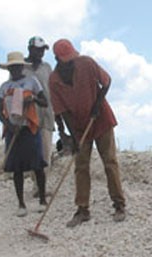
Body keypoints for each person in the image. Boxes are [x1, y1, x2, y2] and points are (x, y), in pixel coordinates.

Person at [49, 39, 126, 228]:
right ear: (57, 59)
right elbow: (62, 111)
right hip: (79, 126)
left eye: (71, 59)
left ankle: (119, 204)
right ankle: (82, 210)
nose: (69, 63)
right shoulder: (54, 81)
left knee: (109, 162)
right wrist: (73, 136)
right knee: (80, 167)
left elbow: (106, 82)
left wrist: (98, 104)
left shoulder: (87, 63)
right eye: (65, 60)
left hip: (101, 120)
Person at [0, 51, 48, 217]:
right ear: (9, 69)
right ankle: (21, 204)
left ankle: (42, 200)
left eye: (18, 66)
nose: (15, 70)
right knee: (16, 167)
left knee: (37, 165)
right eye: (12, 67)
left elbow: (44, 102)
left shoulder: (31, 82)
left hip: (30, 128)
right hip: (13, 130)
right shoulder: (5, 87)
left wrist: (32, 99)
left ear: (22, 67)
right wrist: (9, 125)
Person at [22, 36, 55, 197]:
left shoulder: (47, 67)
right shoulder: (21, 68)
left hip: (47, 114)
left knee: (46, 151)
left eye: (43, 50)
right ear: (30, 49)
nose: (41, 53)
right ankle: (36, 185)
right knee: (32, 151)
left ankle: (42, 186)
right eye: (38, 49)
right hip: (28, 115)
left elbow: (53, 90)